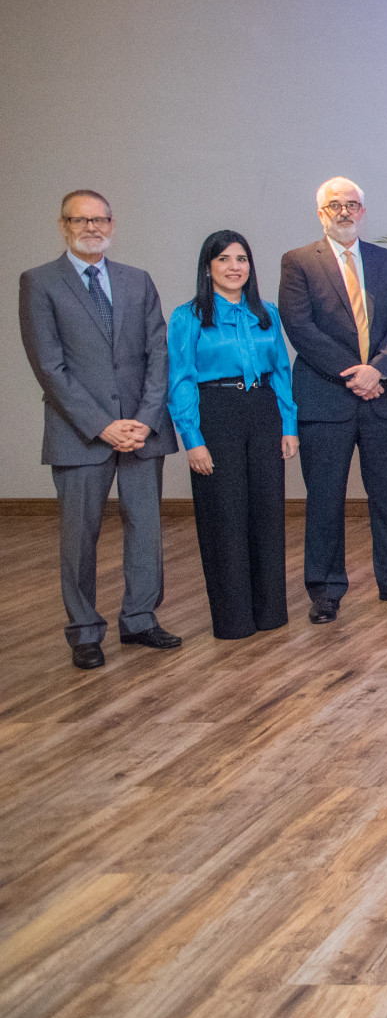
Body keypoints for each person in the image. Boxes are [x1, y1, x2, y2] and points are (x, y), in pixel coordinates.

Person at [19, 189, 181, 669]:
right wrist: (103, 425)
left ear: (112, 224)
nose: (91, 228)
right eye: (79, 220)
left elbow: (158, 355)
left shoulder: (137, 280)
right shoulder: (39, 282)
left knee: (146, 529)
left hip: (143, 432)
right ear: (63, 226)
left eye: (99, 220)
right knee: (79, 537)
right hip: (80, 434)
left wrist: (145, 420)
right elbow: (49, 368)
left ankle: (140, 619)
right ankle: (84, 631)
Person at [279, 177, 387, 624]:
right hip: (326, 399)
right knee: (325, 498)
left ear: (363, 212)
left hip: (384, 396)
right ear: (320, 213)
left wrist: (378, 370)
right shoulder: (298, 262)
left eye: (351, 205)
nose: (343, 212)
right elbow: (300, 327)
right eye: (334, 205)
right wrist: (355, 373)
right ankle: (326, 590)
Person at [167, 231, 299, 640]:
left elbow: (281, 371)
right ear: (208, 267)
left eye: (241, 259)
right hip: (216, 412)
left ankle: (270, 612)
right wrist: (192, 439)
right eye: (223, 259)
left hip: (262, 410)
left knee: (267, 512)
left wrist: (288, 426)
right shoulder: (188, 316)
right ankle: (233, 619)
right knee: (224, 515)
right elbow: (180, 380)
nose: (234, 267)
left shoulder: (267, 313)